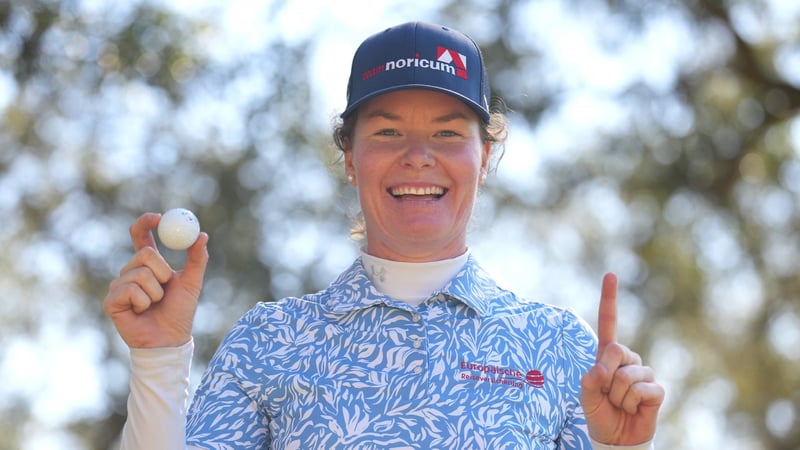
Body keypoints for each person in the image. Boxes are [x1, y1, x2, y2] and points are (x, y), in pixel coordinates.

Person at [103, 21, 664, 449]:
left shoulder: (562, 348)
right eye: (388, 131)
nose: (418, 157)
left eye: (447, 133)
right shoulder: (269, 341)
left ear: (485, 156)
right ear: (349, 156)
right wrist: (158, 358)